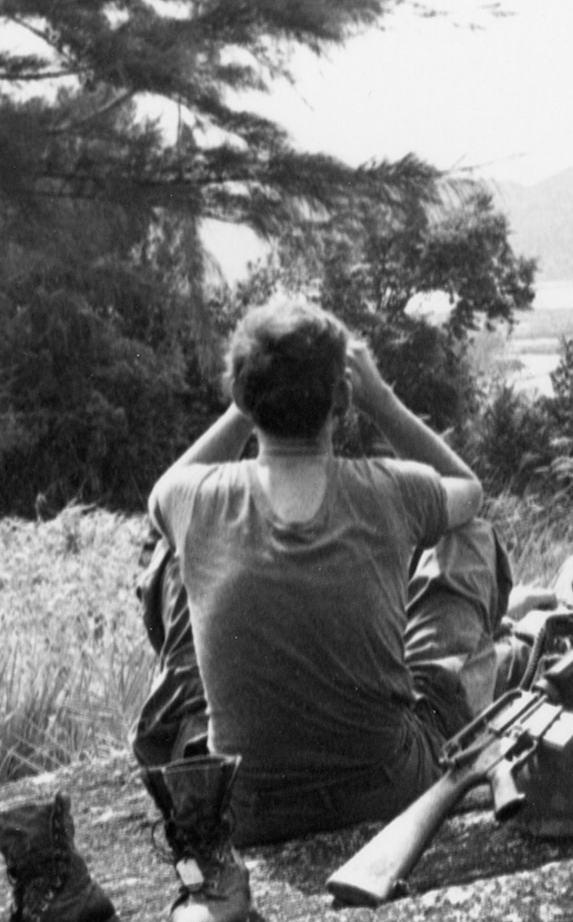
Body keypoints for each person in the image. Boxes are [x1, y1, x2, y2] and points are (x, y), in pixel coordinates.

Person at [133, 298, 509, 849]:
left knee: (173, 555)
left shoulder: (195, 496)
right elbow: (469, 490)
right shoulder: (390, 487)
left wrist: (248, 402)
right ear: (344, 399)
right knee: (470, 535)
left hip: (245, 805)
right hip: (385, 786)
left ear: (242, 395)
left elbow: (158, 497)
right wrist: (382, 401)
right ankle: (477, 677)